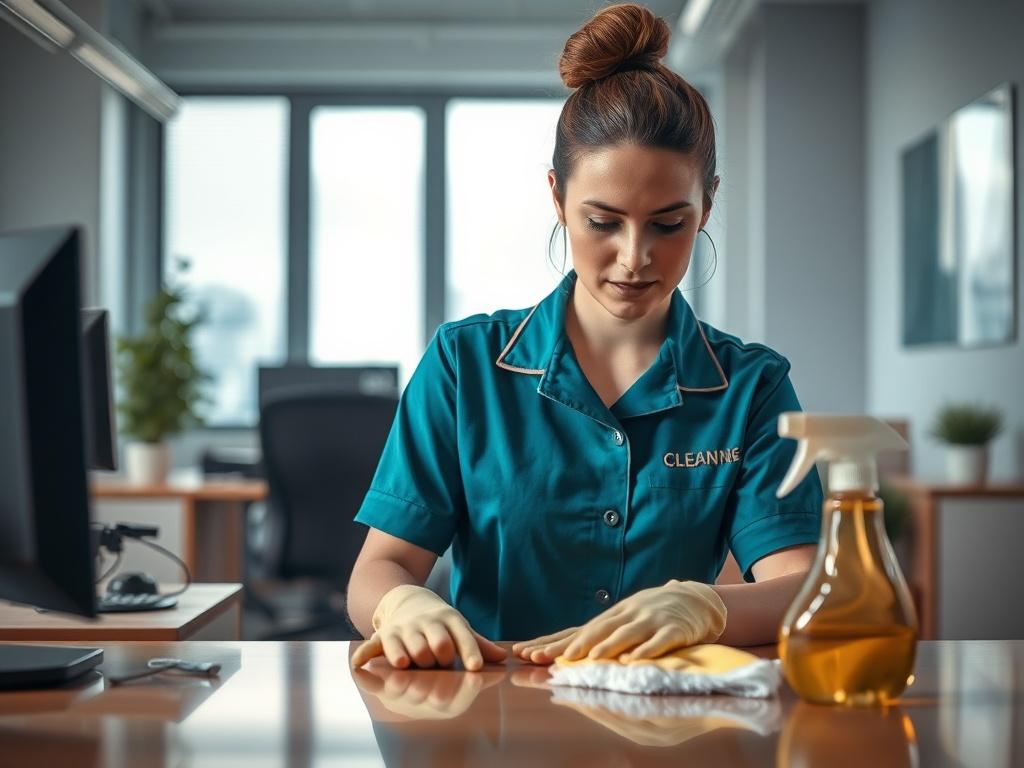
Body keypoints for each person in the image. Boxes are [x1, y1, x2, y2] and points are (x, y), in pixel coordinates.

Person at [348, 2, 823, 672]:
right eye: (603, 221)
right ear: (557, 197)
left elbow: (801, 586)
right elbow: (383, 564)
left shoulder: (752, 387)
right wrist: (401, 604)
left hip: (669, 728)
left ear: (707, 204)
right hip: (492, 719)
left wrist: (708, 605)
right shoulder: (464, 364)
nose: (635, 257)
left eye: (668, 224)